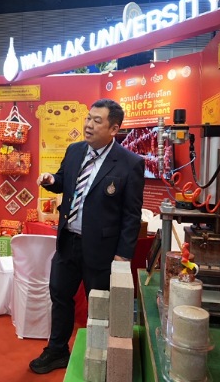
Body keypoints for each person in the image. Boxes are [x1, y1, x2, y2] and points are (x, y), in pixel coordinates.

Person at [29, 98, 145, 374]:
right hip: (68, 241)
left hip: (102, 249)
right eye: (88, 118)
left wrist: (123, 255)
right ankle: (57, 350)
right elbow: (63, 180)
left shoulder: (130, 163)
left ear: (114, 128)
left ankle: (100, 355)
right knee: (59, 295)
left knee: (100, 304)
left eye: (97, 121)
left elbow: (131, 214)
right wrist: (51, 180)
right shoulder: (75, 150)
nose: (88, 125)